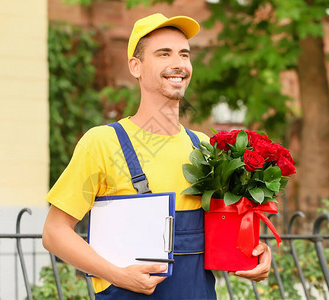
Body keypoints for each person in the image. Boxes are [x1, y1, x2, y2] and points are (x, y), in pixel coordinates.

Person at [42, 13, 272, 299]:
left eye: (184, 54)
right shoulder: (102, 143)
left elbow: (223, 230)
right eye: (164, 54)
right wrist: (118, 274)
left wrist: (255, 253)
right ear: (135, 67)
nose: (179, 64)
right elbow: (54, 232)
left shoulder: (203, 147)